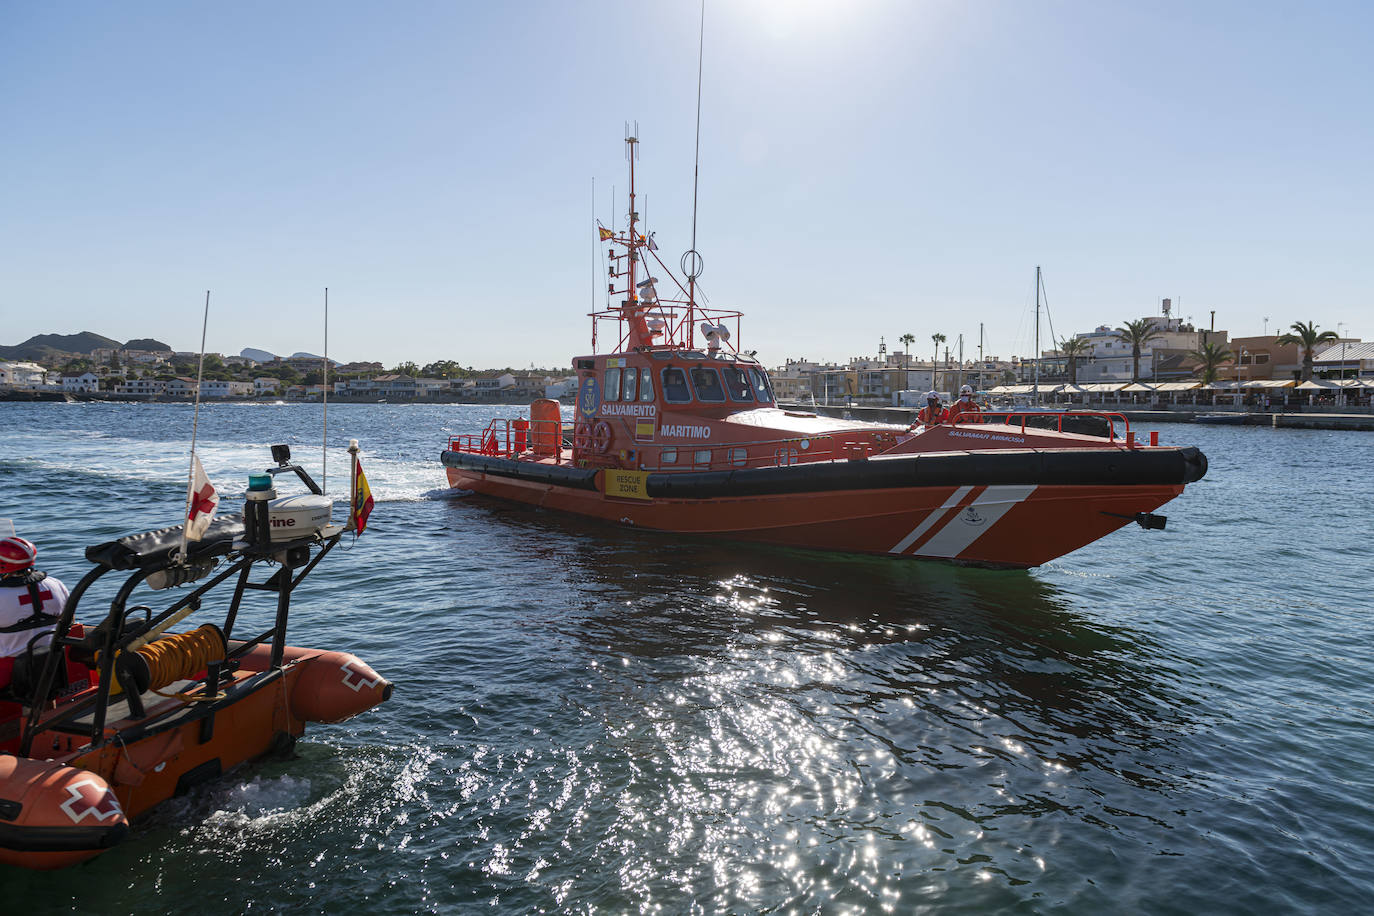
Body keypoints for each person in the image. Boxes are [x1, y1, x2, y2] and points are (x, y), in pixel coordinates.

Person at [0, 534, 68, 689]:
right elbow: (67, 620)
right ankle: (49, 709)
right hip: (51, 662)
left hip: (8, 669)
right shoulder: (56, 584)